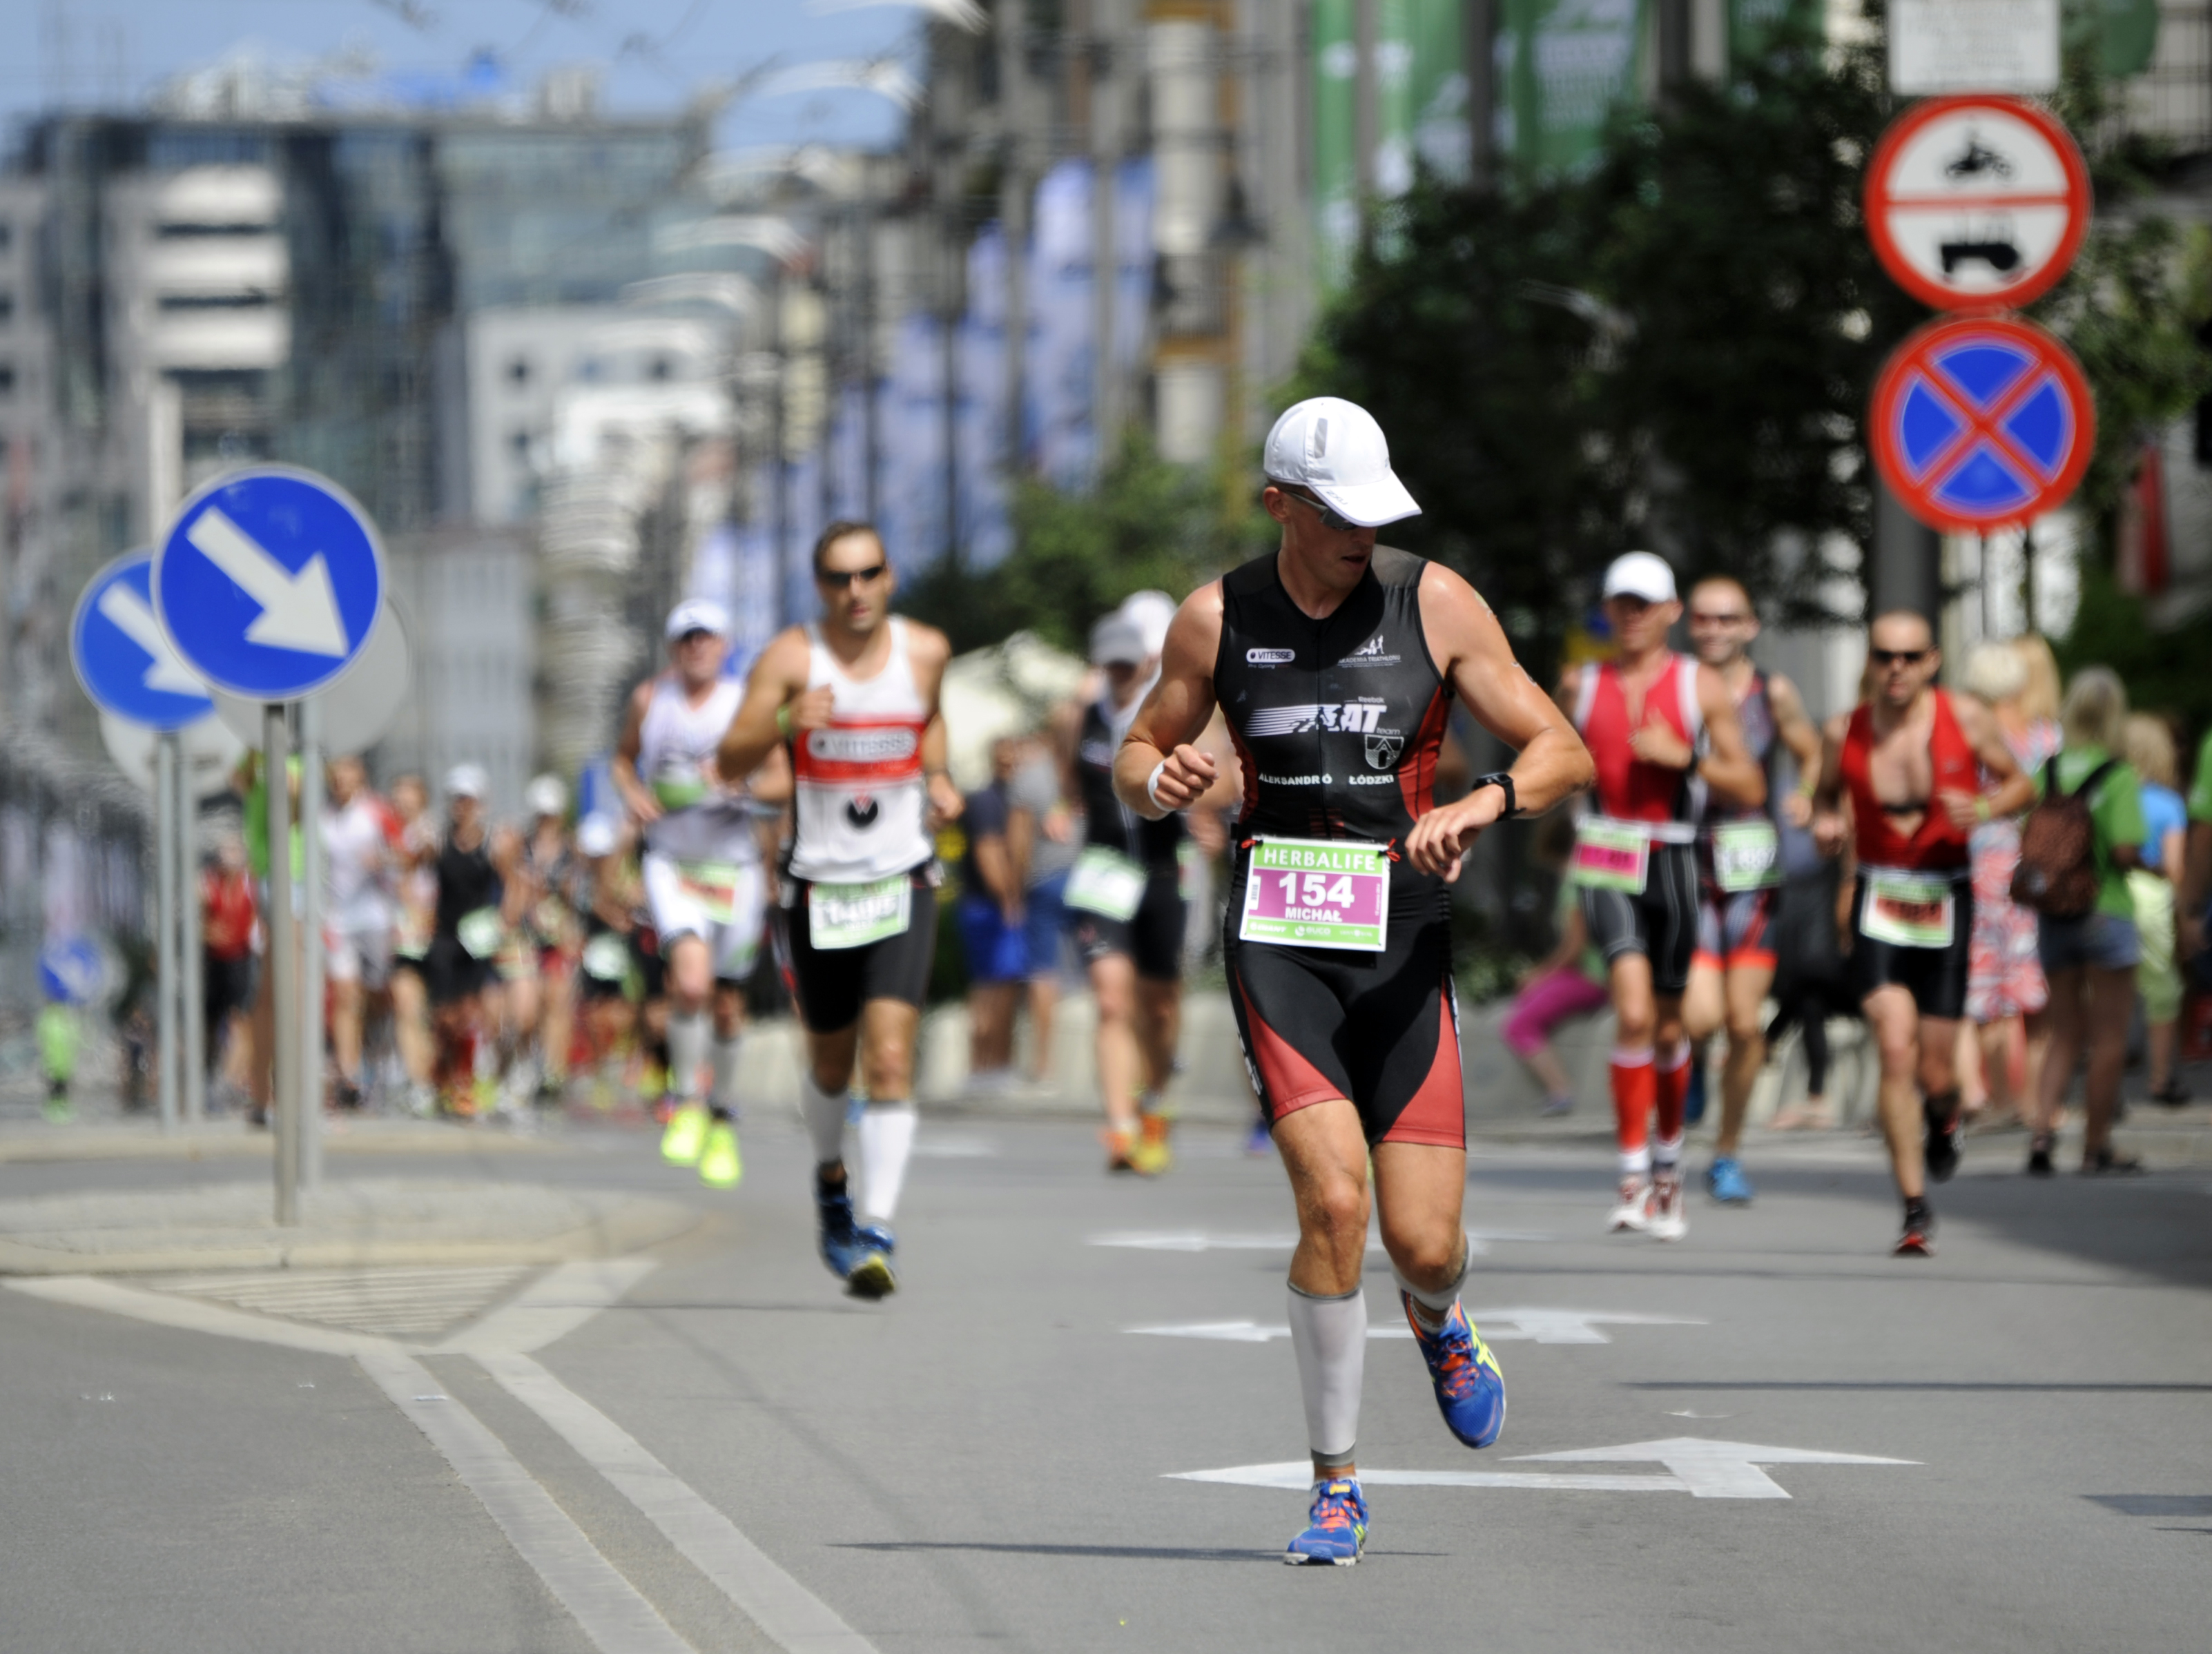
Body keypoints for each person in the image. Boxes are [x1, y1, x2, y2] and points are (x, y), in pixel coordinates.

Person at [1112, 396, 1593, 1565]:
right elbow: (1133, 752)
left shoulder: (1429, 601)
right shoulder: (1213, 618)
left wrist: (1480, 803)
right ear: (1278, 503)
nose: (1357, 537)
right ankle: (1335, 1484)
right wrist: (1159, 779)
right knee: (1332, 1205)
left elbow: (1560, 747)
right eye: (1335, 515)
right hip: (1275, 939)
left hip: (1402, 936)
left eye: (1372, 515)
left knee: (1422, 1243)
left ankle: (1437, 1316)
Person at [717, 520, 962, 1300]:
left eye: (868, 574)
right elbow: (729, 760)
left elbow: (930, 723)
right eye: (837, 578)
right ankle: (831, 1180)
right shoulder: (792, 660)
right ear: (818, 585)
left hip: (901, 876)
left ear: (890, 577)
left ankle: (879, 1227)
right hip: (819, 887)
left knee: (890, 1057)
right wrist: (786, 723)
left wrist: (942, 777)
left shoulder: (925, 649)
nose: (854, 591)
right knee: (830, 1060)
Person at [1810, 611, 2032, 1253]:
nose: (1896, 669)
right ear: (1871, 662)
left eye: (1910, 657)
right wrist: (1826, 823)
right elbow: (1825, 796)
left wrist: (1987, 806)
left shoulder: (1966, 718)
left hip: (1946, 896)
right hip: (1879, 895)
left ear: (1933, 660)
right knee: (1894, 1043)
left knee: (1938, 1071)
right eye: (1884, 656)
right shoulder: (1842, 730)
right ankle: (1914, 1207)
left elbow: (2025, 781)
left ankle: (1944, 1117)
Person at [1559, 552, 1765, 1243]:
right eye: (1622, 602)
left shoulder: (1700, 685)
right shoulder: (1580, 684)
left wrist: (1689, 757)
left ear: (1672, 612)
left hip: (1676, 856)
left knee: (1673, 1027)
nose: (1634, 614)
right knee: (1635, 1010)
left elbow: (1751, 785)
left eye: (1646, 603)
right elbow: (1549, 760)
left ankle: (1669, 1170)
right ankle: (1629, 1175)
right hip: (1607, 855)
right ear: (1608, 609)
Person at [613, 599, 788, 1189]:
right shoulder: (649, 700)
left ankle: (722, 1109)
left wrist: (743, 784)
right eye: (686, 638)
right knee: (690, 980)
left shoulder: (745, 705)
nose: (697, 647)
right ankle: (687, 1099)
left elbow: (783, 777)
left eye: (706, 638)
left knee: (727, 1001)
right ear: (672, 648)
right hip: (673, 862)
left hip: (733, 865)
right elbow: (620, 760)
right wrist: (634, 794)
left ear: (725, 645)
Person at [1064, 610, 1227, 1174]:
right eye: (1108, 664)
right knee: (1111, 999)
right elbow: (1072, 780)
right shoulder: (1080, 716)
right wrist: (1067, 812)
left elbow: (1219, 772)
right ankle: (1120, 1127)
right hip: (1104, 868)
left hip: (1163, 870)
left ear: (1149, 662)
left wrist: (1205, 816)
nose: (1117, 673)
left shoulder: (1174, 712)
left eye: (1126, 663)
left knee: (1159, 1006)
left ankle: (1155, 1103)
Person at [1679, 576, 1823, 1205]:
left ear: (1751, 626)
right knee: (1703, 1015)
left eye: (1728, 619)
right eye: (1705, 618)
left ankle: (1727, 1154)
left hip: (1753, 874)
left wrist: (1807, 794)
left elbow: (1813, 753)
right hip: (1687, 863)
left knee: (1745, 1025)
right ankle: (1692, 1057)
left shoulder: (1774, 692)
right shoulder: (1674, 686)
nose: (1715, 629)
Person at [2024, 670, 2147, 1175]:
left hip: (2053, 914)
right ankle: (2096, 1146)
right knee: (2110, 1034)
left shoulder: (2046, 770)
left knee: (2063, 1031)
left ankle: (2040, 1138)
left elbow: (2028, 835)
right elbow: (2123, 848)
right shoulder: (2117, 775)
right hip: (2105, 910)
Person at [1957, 639, 2062, 1132]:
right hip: (2038, 870)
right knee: (2033, 987)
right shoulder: (2048, 737)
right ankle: (2035, 1103)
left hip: (1983, 866)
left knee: (1987, 994)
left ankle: (1999, 1097)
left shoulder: (1972, 734)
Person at [425, 765, 521, 1117]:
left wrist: (504, 922)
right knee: (444, 1018)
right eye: (458, 799)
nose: (462, 806)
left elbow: (513, 883)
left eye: (469, 799)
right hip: (444, 936)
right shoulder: (437, 839)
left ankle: (464, 1083)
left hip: (478, 939)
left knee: (470, 1014)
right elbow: (415, 874)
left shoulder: (493, 843)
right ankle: (443, 1076)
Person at [1502, 818, 1611, 1117]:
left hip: (1594, 977)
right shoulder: (1594, 872)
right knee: (1527, 1002)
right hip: (1600, 974)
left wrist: (1539, 974)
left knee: (1519, 1023)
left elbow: (1575, 946)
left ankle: (1560, 1091)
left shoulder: (1575, 879)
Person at [320, 755, 394, 1110]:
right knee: (346, 995)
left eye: (347, 776)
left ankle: (377, 1059)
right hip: (339, 920)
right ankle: (350, 1075)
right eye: (336, 777)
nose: (341, 783)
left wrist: (384, 861)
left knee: (376, 996)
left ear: (360, 778)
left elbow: (405, 855)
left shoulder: (376, 812)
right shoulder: (322, 817)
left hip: (375, 917)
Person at [2125, 714, 2190, 1107]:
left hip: (2112, 895)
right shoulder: (2167, 804)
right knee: (2162, 990)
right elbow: (2175, 869)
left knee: (2112, 993)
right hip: (2152, 899)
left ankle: (2108, 1079)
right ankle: (2161, 1078)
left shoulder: (2109, 795)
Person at [505, 774, 581, 1107]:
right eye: (541, 815)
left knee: (557, 1004)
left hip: (558, 936)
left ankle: (552, 1072)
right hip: (525, 936)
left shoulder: (570, 849)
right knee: (525, 1010)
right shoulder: (521, 848)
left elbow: (577, 896)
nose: (546, 822)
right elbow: (511, 893)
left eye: (551, 815)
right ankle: (523, 1062)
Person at [1005, 730, 1076, 1083]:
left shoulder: (1030, 775)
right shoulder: (1099, 766)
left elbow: (1018, 840)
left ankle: (1043, 1065)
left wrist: (1014, 891)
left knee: (1043, 973)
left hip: (1045, 880)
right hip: (1095, 879)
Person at [958, 737, 1029, 1087]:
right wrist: (1009, 901)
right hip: (988, 907)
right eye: (1004, 758)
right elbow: (989, 854)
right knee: (993, 989)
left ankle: (993, 1065)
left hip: (992, 907)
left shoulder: (1013, 798)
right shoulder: (986, 801)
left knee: (1000, 986)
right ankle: (986, 1067)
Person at [385, 774, 440, 1115]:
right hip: (401, 933)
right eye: (398, 797)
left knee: (431, 1013)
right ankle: (419, 1082)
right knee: (406, 1005)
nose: (403, 804)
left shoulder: (429, 831)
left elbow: (427, 857)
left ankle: (435, 1075)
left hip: (432, 931)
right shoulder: (386, 833)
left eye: (410, 798)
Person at [201, 837, 259, 1108]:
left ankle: (229, 1080)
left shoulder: (250, 884)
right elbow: (200, 919)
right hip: (214, 960)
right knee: (210, 1022)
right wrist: (208, 931)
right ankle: (210, 1076)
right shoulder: (209, 884)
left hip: (242, 958)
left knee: (240, 1021)